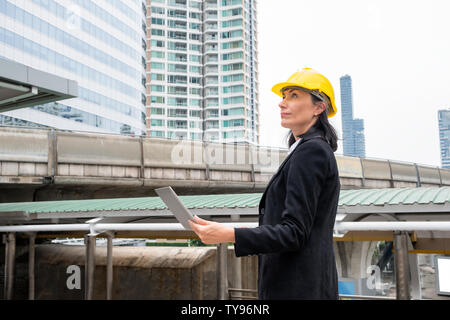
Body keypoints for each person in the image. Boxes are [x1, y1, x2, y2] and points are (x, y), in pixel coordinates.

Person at [189, 68, 341, 300]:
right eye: (283, 96)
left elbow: (294, 232)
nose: (282, 103)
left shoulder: (311, 151)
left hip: (298, 289)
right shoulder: (305, 149)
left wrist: (231, 234)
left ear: (318, 108)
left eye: (294, 96)